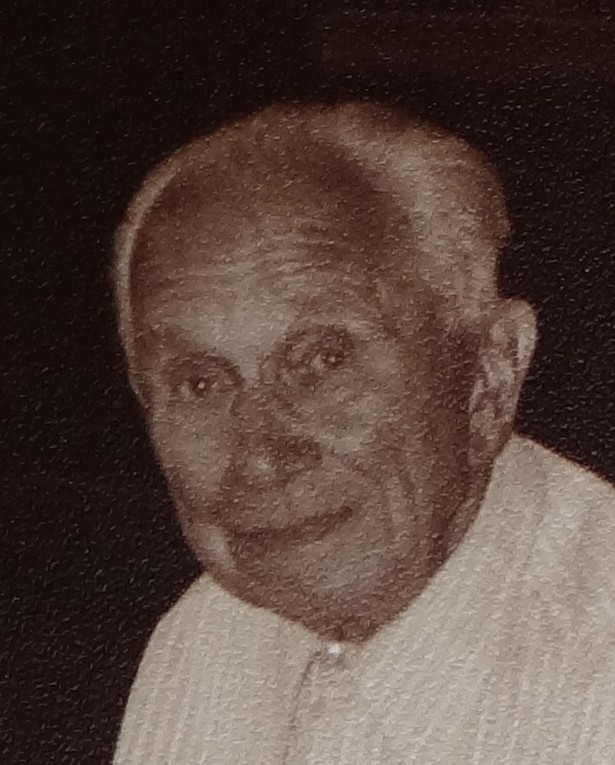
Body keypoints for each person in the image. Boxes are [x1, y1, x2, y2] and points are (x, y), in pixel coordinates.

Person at [112, 102, 615, 764]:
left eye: (323, 360)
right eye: (199, 384)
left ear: (488, 376)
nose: (259, 455)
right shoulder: (208, 636)